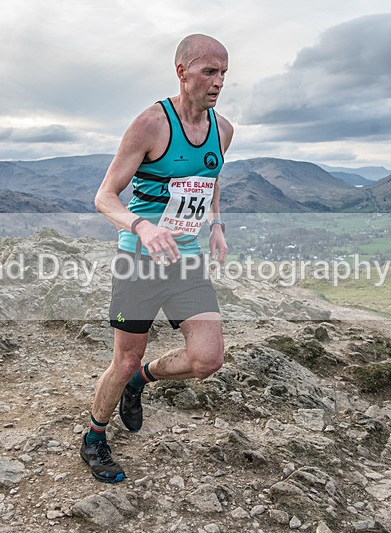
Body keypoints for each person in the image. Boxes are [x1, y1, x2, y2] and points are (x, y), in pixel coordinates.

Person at [83, 34, 234, 482]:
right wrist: (142, 226)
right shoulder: (151, 124)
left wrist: (217, 226)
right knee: (124, 358)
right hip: (139, 260)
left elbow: (211, 178)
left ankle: (141, 382)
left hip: (186, 261)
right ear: (182, 71)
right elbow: (105, 197)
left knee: (207, 359)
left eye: (224, 73)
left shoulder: (223, 129)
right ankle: (94, 437)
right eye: (210, 71)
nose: (219, 81)